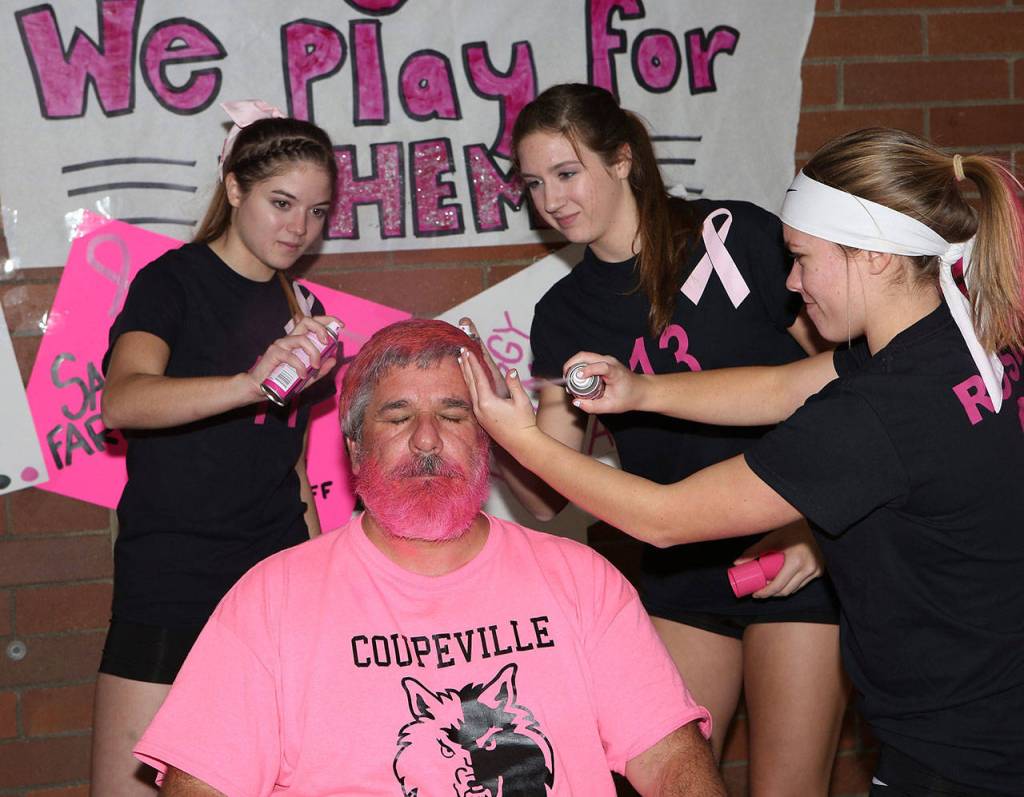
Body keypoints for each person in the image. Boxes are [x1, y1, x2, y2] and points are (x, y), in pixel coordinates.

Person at [461, 127, 1024, 796]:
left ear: (873, 255)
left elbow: (665, 518)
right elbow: (782, 387)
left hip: (958, 750)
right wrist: (642, 392)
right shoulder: (967, 340)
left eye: (802, 258)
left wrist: (521, 438)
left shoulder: (875, 410)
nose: (791, 281)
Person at [129, 319, 725, 796]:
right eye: (397, 417)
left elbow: (671, 757)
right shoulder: (271, 600)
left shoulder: (581, 579)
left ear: (487, 439)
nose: (426, 439)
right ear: (355, 448)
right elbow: (200, 782)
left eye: (453, 415)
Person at [462, 82, 846, 792]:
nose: (552, 200)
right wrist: (494, 424)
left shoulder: (734, 236)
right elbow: (547, 495)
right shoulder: (563, 311)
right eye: (535, 184)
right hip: (681, 569)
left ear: (622, 159)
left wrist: (818, 526)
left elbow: (842, 383)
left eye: (567, 173)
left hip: (794, 548)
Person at [92, 101, 342, 796]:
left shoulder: (306, 313)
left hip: (273, 580)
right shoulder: (171, 281)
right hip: (172, 576)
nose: (298, 228)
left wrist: (320, 578)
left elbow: (293, 468)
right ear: (234, 188)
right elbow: (122, 400)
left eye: (317, 212)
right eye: (281, 203)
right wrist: (248, 384)